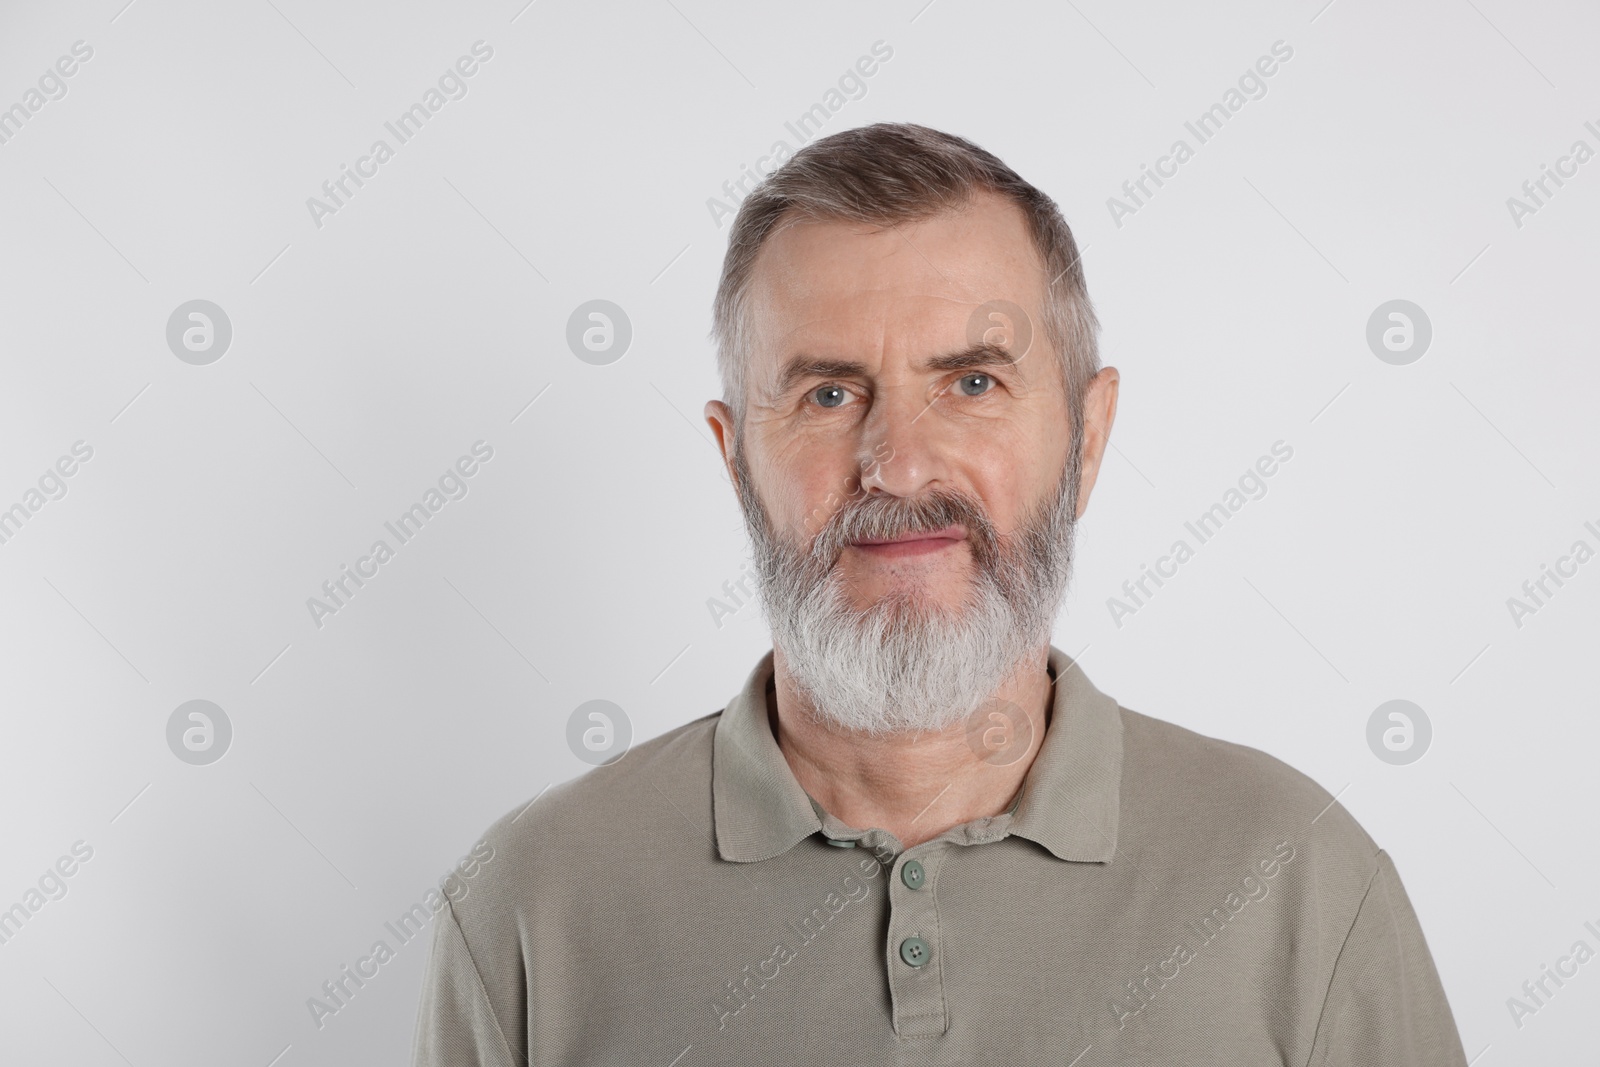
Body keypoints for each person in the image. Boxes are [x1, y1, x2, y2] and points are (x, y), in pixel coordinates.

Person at [411, 122, 1467, 1065]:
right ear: (735, 459)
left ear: (1086, 438)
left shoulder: (1299, 877)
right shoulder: (531, 905)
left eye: (971, 383)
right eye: (828, 393)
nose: (898, 464)